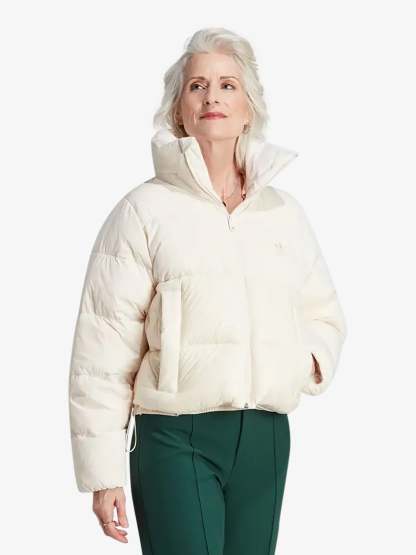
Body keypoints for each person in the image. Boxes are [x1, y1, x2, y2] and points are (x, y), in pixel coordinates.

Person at [68, 27, 347, 554]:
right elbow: (102, 350)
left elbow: (323, 315)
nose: (211, 96)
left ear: (248, 109)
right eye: (197, 86)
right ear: (179, 110)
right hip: (174, 437)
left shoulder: (282, 214)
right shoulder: (143, 212)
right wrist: (103, 473)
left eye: (227, 85)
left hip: (265, 437)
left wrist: (296, 365)